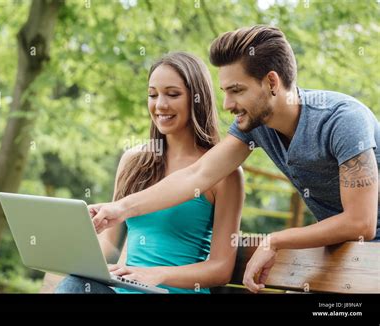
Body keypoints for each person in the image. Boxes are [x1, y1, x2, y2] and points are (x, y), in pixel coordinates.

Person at [90, 25, 380, 293]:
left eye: (237, 90)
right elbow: (198, 174)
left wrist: (275, 239)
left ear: (271, 82)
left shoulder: (342, 120)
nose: (227, 104)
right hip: (353, 257)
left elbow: (361, 222)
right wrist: (120, 208)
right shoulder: (257, 126)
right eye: (225, 92)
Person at [55, 52, 244, 294]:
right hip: (123, 290)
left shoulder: (225, 172)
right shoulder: (133, 161)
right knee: (76, 284)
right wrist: (77, 257)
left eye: (173, 94)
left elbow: (220, 268)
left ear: (197, 99)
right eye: (153, 95)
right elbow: (111, 246)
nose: (160, 105)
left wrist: (157, 274)